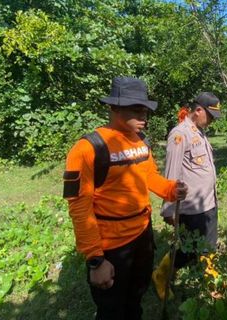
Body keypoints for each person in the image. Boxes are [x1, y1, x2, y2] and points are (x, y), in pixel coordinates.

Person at [62, 76, 187, 320]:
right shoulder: (88, 148)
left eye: (145, 110)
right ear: (114, 107)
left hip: (143, 237)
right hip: (112, 247)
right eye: (136, 109)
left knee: (135, 300)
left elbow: (149, 177)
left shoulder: (141, 142)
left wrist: (171, 189)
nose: (144, 117)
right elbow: (79, 207)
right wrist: (96, 260)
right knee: (112, 310)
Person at [152, 92, 221, 300]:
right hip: (191, 207)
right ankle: (161, 275)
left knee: (209, 244)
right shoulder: (179, 134)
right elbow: (171, 174)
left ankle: (213, 282)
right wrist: (169, 209)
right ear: (198, 110)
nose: (211, 121)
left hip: (208, 202)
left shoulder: (199, 131)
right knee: (189, 249)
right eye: (209, 116)